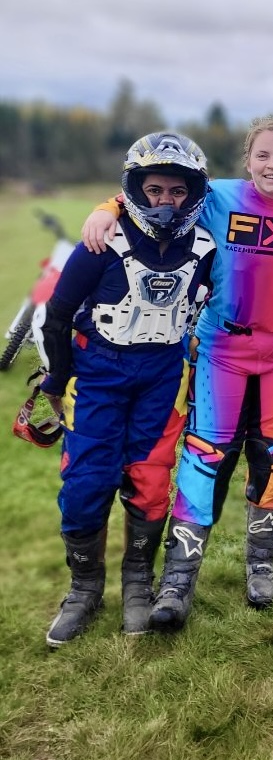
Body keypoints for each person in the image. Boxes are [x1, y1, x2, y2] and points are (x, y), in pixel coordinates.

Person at [81, 118, 273, 624]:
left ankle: (261, 566)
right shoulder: (217, 197)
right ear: (247, 161)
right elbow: (155, 193)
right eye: (262, 155)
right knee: (204, 455)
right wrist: (105, 209)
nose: (272, 165)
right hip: (224, 347)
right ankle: (178, 580)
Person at [34, 131, 215, 646]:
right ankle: (84, 589)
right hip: (99, 374)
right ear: (134, 188)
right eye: (154, 189)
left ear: (193, 193)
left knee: (153, 479)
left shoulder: (203, 248)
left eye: (177, 191)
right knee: (87, 480)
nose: (165, 201)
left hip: (162, 375)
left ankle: (138, 583)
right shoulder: (101, 242)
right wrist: (55, 379)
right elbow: (57, 314)